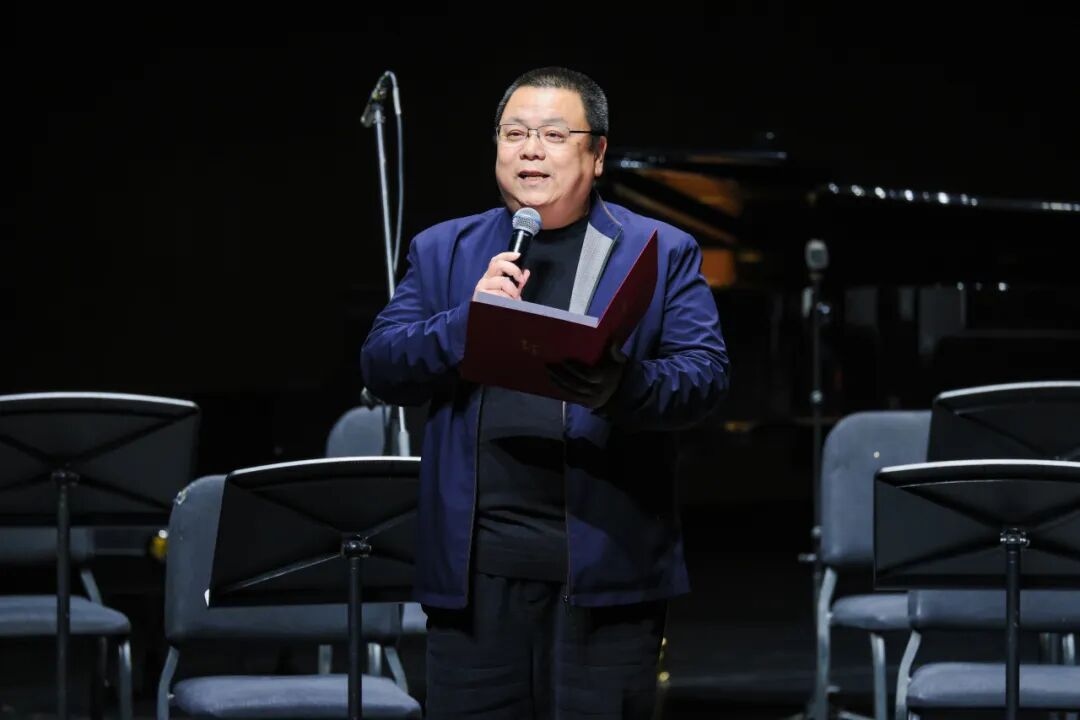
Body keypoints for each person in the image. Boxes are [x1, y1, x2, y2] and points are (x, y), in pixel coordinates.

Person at [360, 66, 729, 719]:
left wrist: (624, 385)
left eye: (554, 135)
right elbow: (382, 364)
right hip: (474, 581)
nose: (530, 150)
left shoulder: (659, 248)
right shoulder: (444, 249)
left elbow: (705, 377)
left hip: (607, 577)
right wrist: (465, 324)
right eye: (514, 133)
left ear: (597, 153)